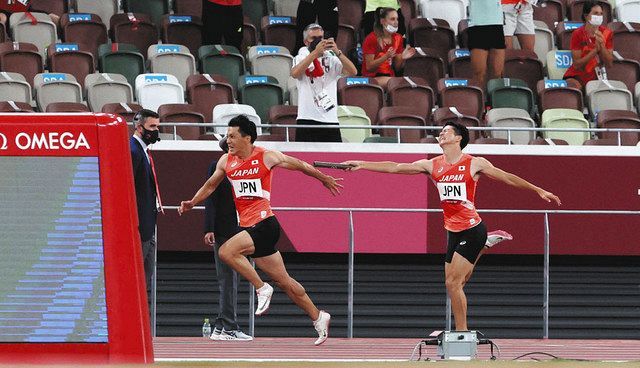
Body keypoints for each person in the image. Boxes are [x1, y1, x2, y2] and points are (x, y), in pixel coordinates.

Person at [342, 122, 561, 331]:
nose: (442, 134)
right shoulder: (432, 165)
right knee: (460, 282)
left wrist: (537, 189)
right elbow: (395, 167)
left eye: (447, 131)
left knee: (452, 284)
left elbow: (507, 178)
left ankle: (461, 332)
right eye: (441, 131)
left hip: (472, 228)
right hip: (452, 231)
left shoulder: (475, 163)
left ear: (458, 138)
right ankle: (484, 247)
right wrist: (362, 164)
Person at [178, 115, 343, 345]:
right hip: (249, 227)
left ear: (248, 137)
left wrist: (323, 178)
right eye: (227, 136)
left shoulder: (267, 156)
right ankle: (318, 317)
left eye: (233, 136)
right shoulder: (226, 161)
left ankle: (261, 288)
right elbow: (210, 185)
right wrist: (192, 202)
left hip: (265, 224)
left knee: (226, 252)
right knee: (285, 282)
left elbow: (300, 165)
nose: (228, 141)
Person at [204, 137, 252, 341]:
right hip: (224, 230)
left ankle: (220, 327)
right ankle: (229, 327)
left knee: (231, 280)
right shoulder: (218, 167)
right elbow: (210, 197)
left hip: (240, 230)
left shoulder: (246, 168)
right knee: (228, 280)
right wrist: (209, 228)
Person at [291, 23, 358, 142]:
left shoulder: (332, 58)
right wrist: (314, 54)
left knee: (333, 159)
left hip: (330, 119)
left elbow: (353, 71)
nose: (318, 41)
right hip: (307, 118)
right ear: (306, 42)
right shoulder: (301, 56)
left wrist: (338, 52)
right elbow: (295, 73)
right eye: (313, 38)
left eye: (320, 38)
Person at [129, 109, 163, 315]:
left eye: (157, 127)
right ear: (138, 127)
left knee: (145, 279)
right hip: (139, 226)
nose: (156, 131)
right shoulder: (133, 151)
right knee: (136, 280)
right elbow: (128, 189)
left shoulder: (143, 151)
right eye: (152, 127)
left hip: (148, 226)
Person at [361, 7, 415, 89]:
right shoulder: (371, 38)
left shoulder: (398, 38)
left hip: (390, 77)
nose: (396, 22)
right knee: (399, 84)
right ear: (382, 21)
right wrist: (385, 57)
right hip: (371, 78)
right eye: (392, 19)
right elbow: (369, 67)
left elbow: (397, 68)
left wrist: (402, 58)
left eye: (397, 19)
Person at [563, 1, 613, 88]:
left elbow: (609, 63)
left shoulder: (607, 33)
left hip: (597, 77)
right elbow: (576, 64)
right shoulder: (577, 34)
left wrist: (602, 46)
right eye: (595, 13)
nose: (599, 16)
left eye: (601, 14)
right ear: (586, 16)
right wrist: (595, 51)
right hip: (577, 77)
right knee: (574, 86)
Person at [468, 0, 506, 90]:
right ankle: (479, 101)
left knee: (497, 72)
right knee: (479, 72)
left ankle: (493, 102)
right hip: (477, 25)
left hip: (497, 24)